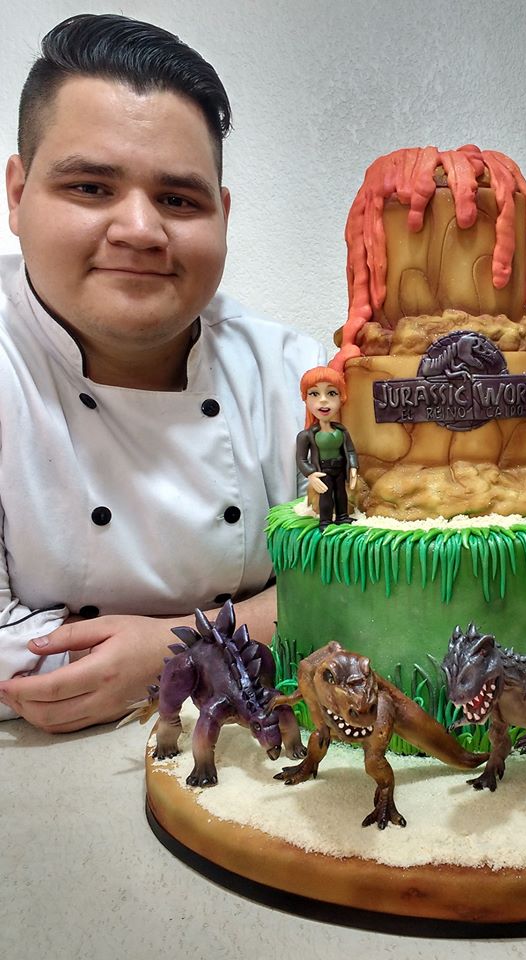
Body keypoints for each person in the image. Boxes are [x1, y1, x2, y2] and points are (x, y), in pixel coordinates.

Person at [0, 14, 325, 732]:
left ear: (223, 215)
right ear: (17, 195)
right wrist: (263, 623)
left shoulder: (298, 378)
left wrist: (167, 652)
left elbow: (379, 587)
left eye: (179, 200)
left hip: (263, 741)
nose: (141, 231)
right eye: (90, 187)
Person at [295, 366, 358, 530]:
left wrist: (353, 467)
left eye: (331, 393)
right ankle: (325, 521)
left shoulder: (342, 431)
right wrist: (311, 474)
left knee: (341, 493)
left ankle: (343, 516)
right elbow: (301, 459)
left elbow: (350, 450)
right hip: (323, 470)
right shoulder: (306, 435)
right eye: (314, 394)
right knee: (326, 496)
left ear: (341, 398)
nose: (323, 400)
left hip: (340, 468)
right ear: (305, 398)